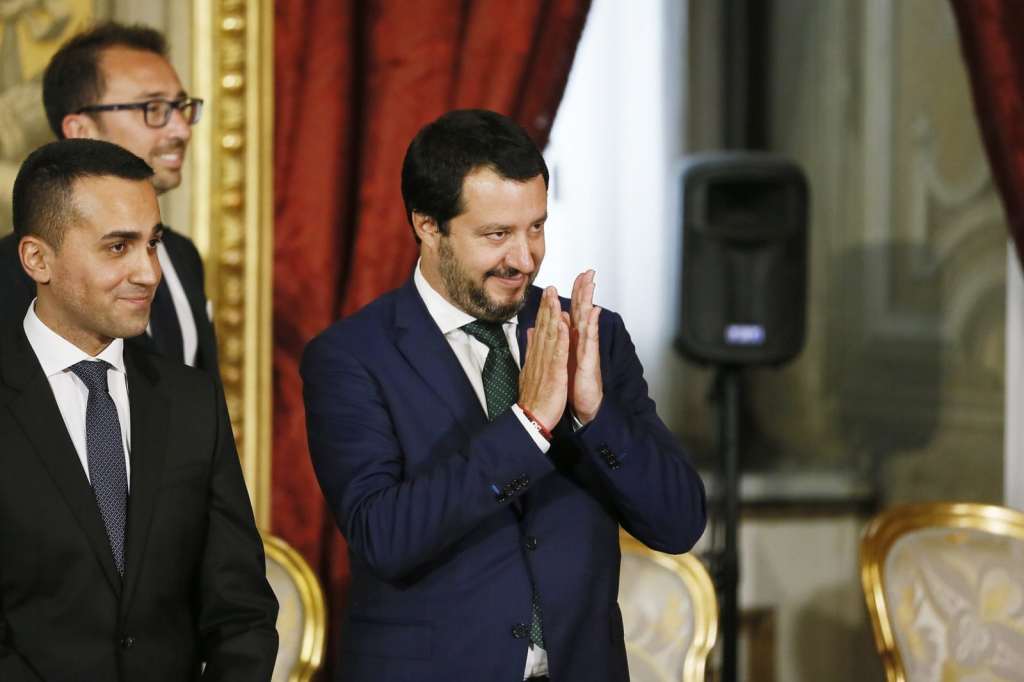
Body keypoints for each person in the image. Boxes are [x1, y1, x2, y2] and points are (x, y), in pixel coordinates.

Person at [302, 109, 706, 682]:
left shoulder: (592, 335)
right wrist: (527, 427)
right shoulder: (352, 357)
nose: (524, 258)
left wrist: (594, 416)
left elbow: (679, 523)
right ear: (427, 225)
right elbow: (384, 537)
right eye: (497, 235)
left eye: (536, 227)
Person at [0, 138, 278, 680]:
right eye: (117, 247)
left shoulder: (191, 400)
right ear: (38, 258)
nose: (149, 272)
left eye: (152, 244)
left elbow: (240, 608)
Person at [0, 22, 218, 375]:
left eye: (182, 107)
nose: (180, 129)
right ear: (80, 130)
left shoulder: (183, 257)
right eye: (154, 108)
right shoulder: (9, 276)